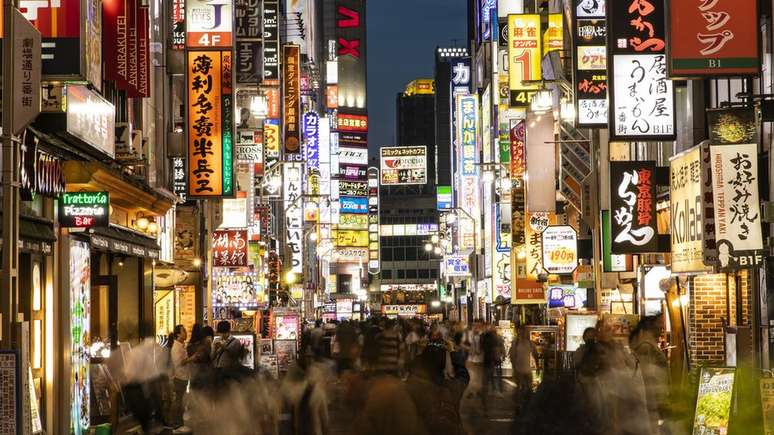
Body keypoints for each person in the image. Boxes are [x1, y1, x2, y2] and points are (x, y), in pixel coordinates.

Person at [630, 315, 669, 431]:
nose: (662, 328)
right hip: (651, 400)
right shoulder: (646, 347)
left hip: (652, 400)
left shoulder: (648, 345)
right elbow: (647, 376)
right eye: (659, 325)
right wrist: (657, 401)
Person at [169, 325, 192, 432]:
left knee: (181, 401)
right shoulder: (176, 347)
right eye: (183, 331)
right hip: (179, 377)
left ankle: (179, 423)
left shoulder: (181, 345)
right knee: (178, 401)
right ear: (178, 334)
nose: (186, 333)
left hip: (183, 376)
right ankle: (175, 423)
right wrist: (192, 358)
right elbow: (179, 362)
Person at [510, 326, 537, 407]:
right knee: (519, 388)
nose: (523, 334)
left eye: (524, 332)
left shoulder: (530, 343)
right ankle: (518, 404)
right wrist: (514, 367)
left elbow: (535, 354)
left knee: (529, 388)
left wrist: (537, 366)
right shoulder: (515, 343)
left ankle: (527, 404)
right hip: (519, 369)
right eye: (521, 332)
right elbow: (512, 355)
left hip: (527, 369)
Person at [187, 324, 214, 391]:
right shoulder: (204, 344)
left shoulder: (189, 345)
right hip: (204, 372)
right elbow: (207, 357)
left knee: (194, 391)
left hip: (193, 372)